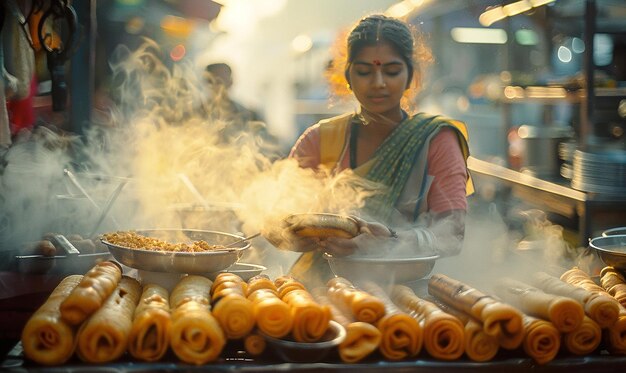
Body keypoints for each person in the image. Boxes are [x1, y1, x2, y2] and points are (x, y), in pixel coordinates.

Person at [278, 14, 474, 287]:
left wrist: (391, 240)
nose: (378, 82)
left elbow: (452, 234)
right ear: (347, 76)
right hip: (322, 291)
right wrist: (296, 235)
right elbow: (275, 218)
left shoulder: (436, 140)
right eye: (364, 71)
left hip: (407, 294)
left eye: (392, 71)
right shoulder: (320, 139)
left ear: (411, 76)